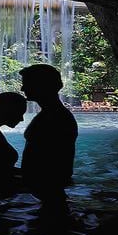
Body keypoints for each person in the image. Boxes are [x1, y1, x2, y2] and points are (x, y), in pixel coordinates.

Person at [18, 64, 78, 207]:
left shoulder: (55, 118)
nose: (22, 88)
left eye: (26, 84)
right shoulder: (53, 115)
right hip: (44, 190)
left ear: (41, 85)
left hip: (48, 191)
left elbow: (53, 162)